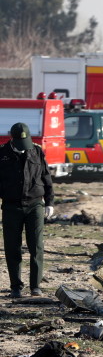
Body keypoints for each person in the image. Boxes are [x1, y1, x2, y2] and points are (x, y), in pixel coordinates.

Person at [0, 123, 54, 298]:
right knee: (12, 247)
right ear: (12, 138)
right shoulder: (2, 154)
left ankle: (35, 286)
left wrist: (50, 202)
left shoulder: (36, 152)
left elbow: (46, 178)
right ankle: (16, 286)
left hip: (35, 205)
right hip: (11, 207)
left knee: (36, 246)